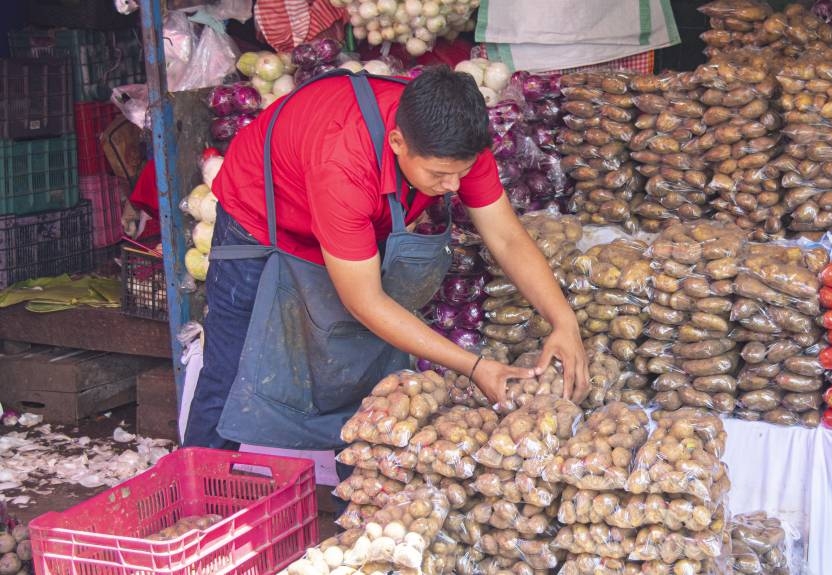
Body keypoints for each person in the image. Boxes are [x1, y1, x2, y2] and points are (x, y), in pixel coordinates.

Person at [183, 66, 589, 450]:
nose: (453, 187)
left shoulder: (456, 144)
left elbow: (506, 237)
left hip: (345, 228)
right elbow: (365, 301)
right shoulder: (343, 165)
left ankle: (353, 509)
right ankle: (200, 497)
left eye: (461, 173)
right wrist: (474, 365)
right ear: (397, 143)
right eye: (438, 175)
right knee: (232, 373)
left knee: (362, 379)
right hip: (263, 222)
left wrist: (563, 320)